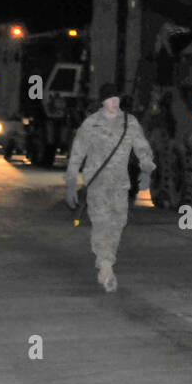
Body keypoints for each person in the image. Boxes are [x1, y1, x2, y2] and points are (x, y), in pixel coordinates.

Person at [65, 83, 155, 292]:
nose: (114, 102)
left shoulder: (129, 122)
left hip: (120, 184)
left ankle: (106, 260)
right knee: (102, 222)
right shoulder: (91, 123)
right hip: (97, 184)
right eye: (110, 98)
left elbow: (142, 148)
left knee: (118, 222)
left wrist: (147, 171)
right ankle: (106, 267)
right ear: (102, 101)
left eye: (117, 98)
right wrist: (71, 183)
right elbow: (77, 153)